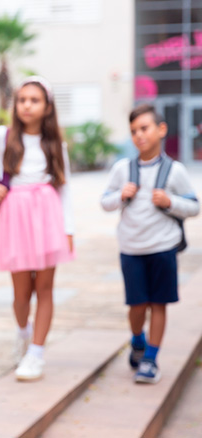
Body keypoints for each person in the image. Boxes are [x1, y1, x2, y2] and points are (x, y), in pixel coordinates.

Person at [0, 76, 74, 381]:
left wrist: (69, 229)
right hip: (16, 216)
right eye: (22, 99)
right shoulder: (4, 136)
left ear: (47, 106)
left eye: (35, 100)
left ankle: (37, 353)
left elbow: (66, 189)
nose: (27, 105)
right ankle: (23, 332)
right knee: (21, 291)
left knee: (45, 288)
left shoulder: (55, 143)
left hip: (48, 217)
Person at [101, 104, 199, 384]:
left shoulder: (175, 170)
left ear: (161, 129)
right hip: (131, 248)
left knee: (158, 304)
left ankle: (151, 359)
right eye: (133, 131)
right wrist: (121, 195)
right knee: (136, 306)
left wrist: (170, 202)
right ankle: (137, 339)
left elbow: (194, 206)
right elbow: (105, 202)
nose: (139, 135)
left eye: (144, 128)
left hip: (163, 248)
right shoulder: (123, 169)